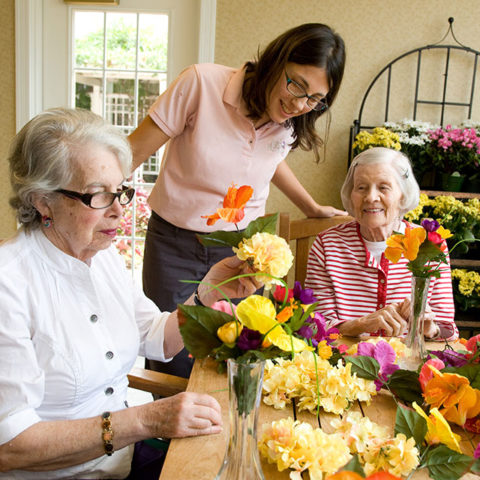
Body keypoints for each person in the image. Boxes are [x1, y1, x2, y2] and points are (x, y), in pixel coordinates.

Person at [0, 108, 261, 480]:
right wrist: (145, 419)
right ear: (43, 201)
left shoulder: (101, 258)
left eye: (120, 191)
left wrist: (210, 288)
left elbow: (157, 338)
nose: (120, 211)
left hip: (124, 462)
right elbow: (10, 446)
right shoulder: (9, 284)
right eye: (98, 196)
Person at [128, 22, 347, 377]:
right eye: (297, 85)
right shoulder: (201, 84)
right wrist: (87, 200)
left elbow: (272, 160)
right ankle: (163, 433)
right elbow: (133, 152)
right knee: (171, 356)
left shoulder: (289, 120)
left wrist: (312, 208)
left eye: (314, 99)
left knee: (231, 357)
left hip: (239, 253)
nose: (299, 104)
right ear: (276, 60)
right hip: (174, 246)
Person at [304, 147, 458, 341]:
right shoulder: (327, 245)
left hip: (406, 365)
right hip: (344, 365)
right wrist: (361, 324)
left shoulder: (430, 245)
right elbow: (314, 326)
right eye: (361, 187)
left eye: (383, 187)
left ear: (403, 193)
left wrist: (431, 328)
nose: (370, 197)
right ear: (351, 194)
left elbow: (449, 331)